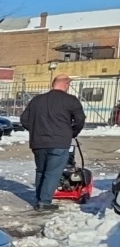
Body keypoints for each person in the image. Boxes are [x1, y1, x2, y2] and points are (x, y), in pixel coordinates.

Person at [19, 74, 85, 212]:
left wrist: (36, 130)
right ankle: (44, 202)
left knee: (41, 171)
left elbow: (24, 119)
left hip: (38, 142)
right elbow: (79, 120)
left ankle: (39, 199)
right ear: (66, 85)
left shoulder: (37, 100)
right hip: (59, 142)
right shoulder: (70, 100)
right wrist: (72, 132)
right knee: (53, 172)